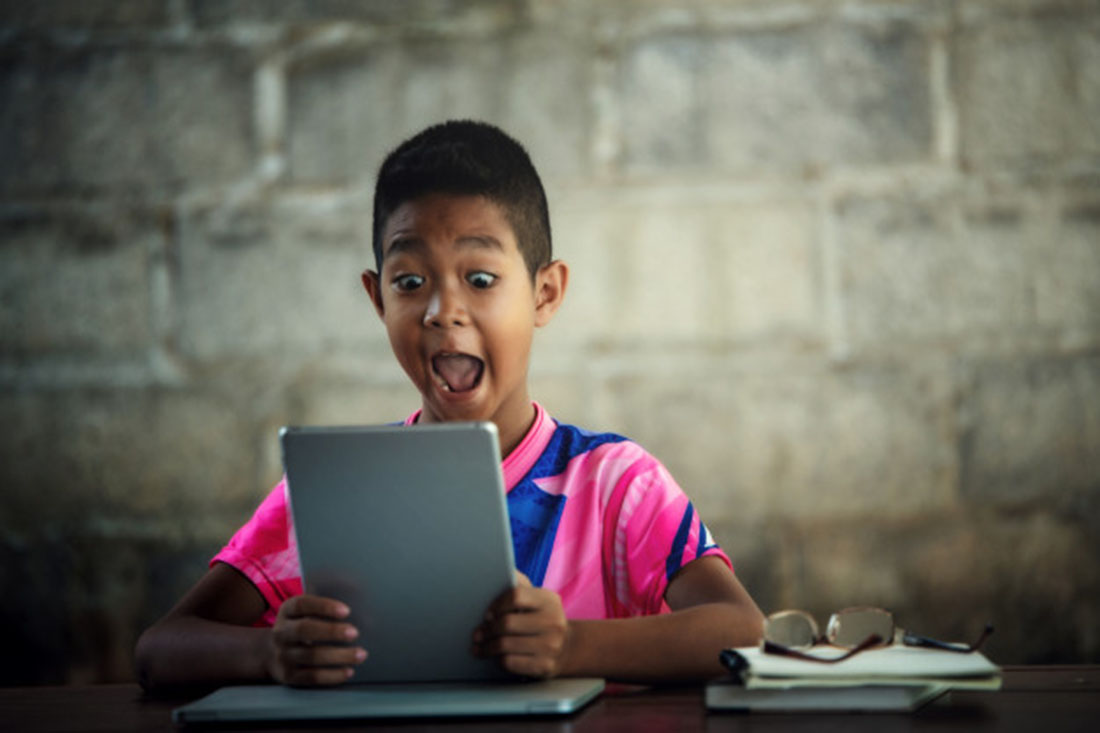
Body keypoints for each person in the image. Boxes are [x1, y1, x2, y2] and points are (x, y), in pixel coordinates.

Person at [134, 120, 764, 690]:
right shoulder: (338, 488)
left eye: (480, 279)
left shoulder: (616, 484)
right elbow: (161, 650)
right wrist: (270, 654)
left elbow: (742, 630)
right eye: (410, 282)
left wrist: (572, 643)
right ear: (378, 299)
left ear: (545, 294)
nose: (442, 311)